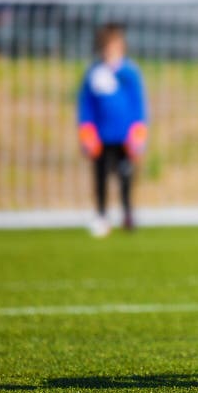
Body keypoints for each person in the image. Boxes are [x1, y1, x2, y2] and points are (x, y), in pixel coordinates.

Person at [78, 23, 148, 237]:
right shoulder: (94, 72)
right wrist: (87, 132)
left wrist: (138, 132)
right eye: (108, 45)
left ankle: (128, 213)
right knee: (100, 178)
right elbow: (86, 105)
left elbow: (138, 105)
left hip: (124, 137)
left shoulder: (130, 72)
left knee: (126, 177)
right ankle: (101, 215)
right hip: (102, 137)